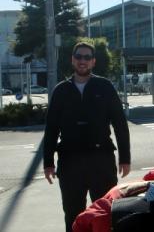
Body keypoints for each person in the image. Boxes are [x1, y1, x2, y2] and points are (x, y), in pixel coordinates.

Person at [43, 41, 131, 232]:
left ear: (93, 62)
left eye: (87, 57)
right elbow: (51, 129)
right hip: (70, 163)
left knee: (106, 215)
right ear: (73, 60)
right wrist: (48, 162)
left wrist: (125, 158)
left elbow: (120, 124)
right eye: (79, 57)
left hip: (102, 160)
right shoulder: (61, 91)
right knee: (74, 217)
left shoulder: (105, 87)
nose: (83, 61)